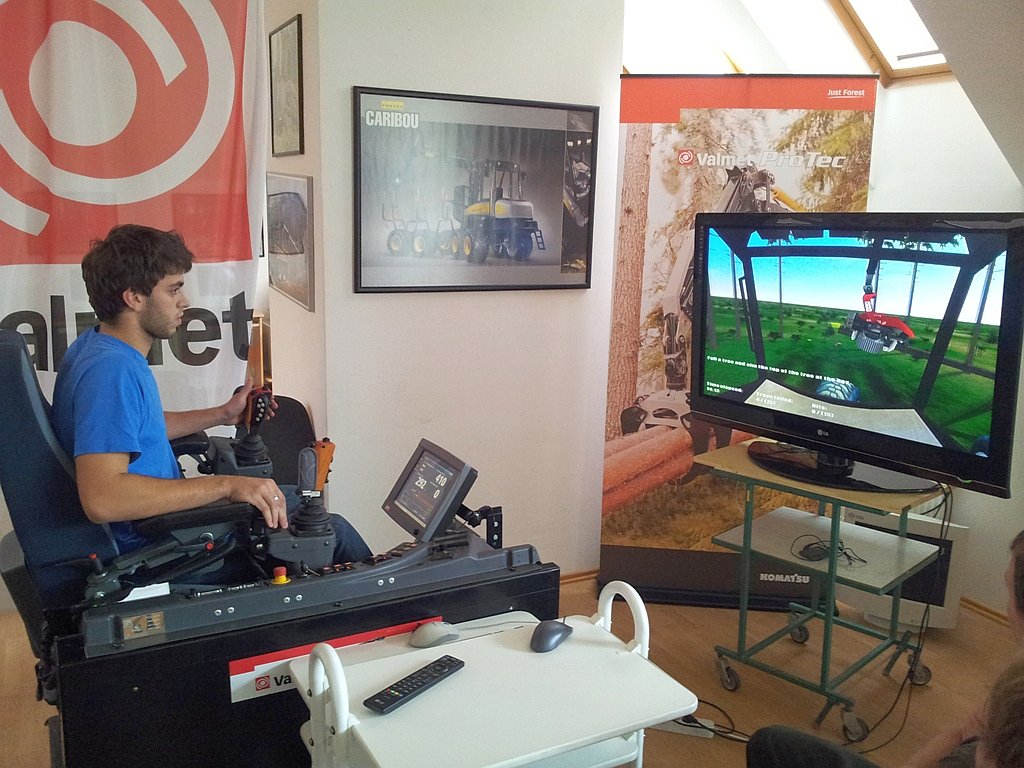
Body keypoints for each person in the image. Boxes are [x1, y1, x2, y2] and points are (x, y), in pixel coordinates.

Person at [51, 223, 371, 574]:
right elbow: (103, 498)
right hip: (161, 551)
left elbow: (140, 429)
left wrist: (222, 414)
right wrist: (227, 486)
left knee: (290, 497)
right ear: (134, 298)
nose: (184, 301)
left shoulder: (98, 346)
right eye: (173, 290)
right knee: (331, 532)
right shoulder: (111, 372)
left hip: (166, 528)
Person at [745, 528, 1024, 768]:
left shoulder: (1016, 695)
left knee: (770, 746)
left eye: (1008, 589)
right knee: (770, 741)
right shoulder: (1014, 677)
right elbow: (962, 732)